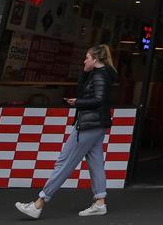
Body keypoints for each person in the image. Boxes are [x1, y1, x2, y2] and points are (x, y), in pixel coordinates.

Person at [16, 44, 117, 219]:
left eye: (87, 57)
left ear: (96, 59)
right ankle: (100, 202)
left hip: (88, 125)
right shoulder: (101, 74)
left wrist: (77, 102)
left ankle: (39, 203)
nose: (84, 60)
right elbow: (87, 92)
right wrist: (85, 72)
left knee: (64, 163)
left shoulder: (100, 75)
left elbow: (98, 100)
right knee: (96, 163)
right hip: (97, 125)